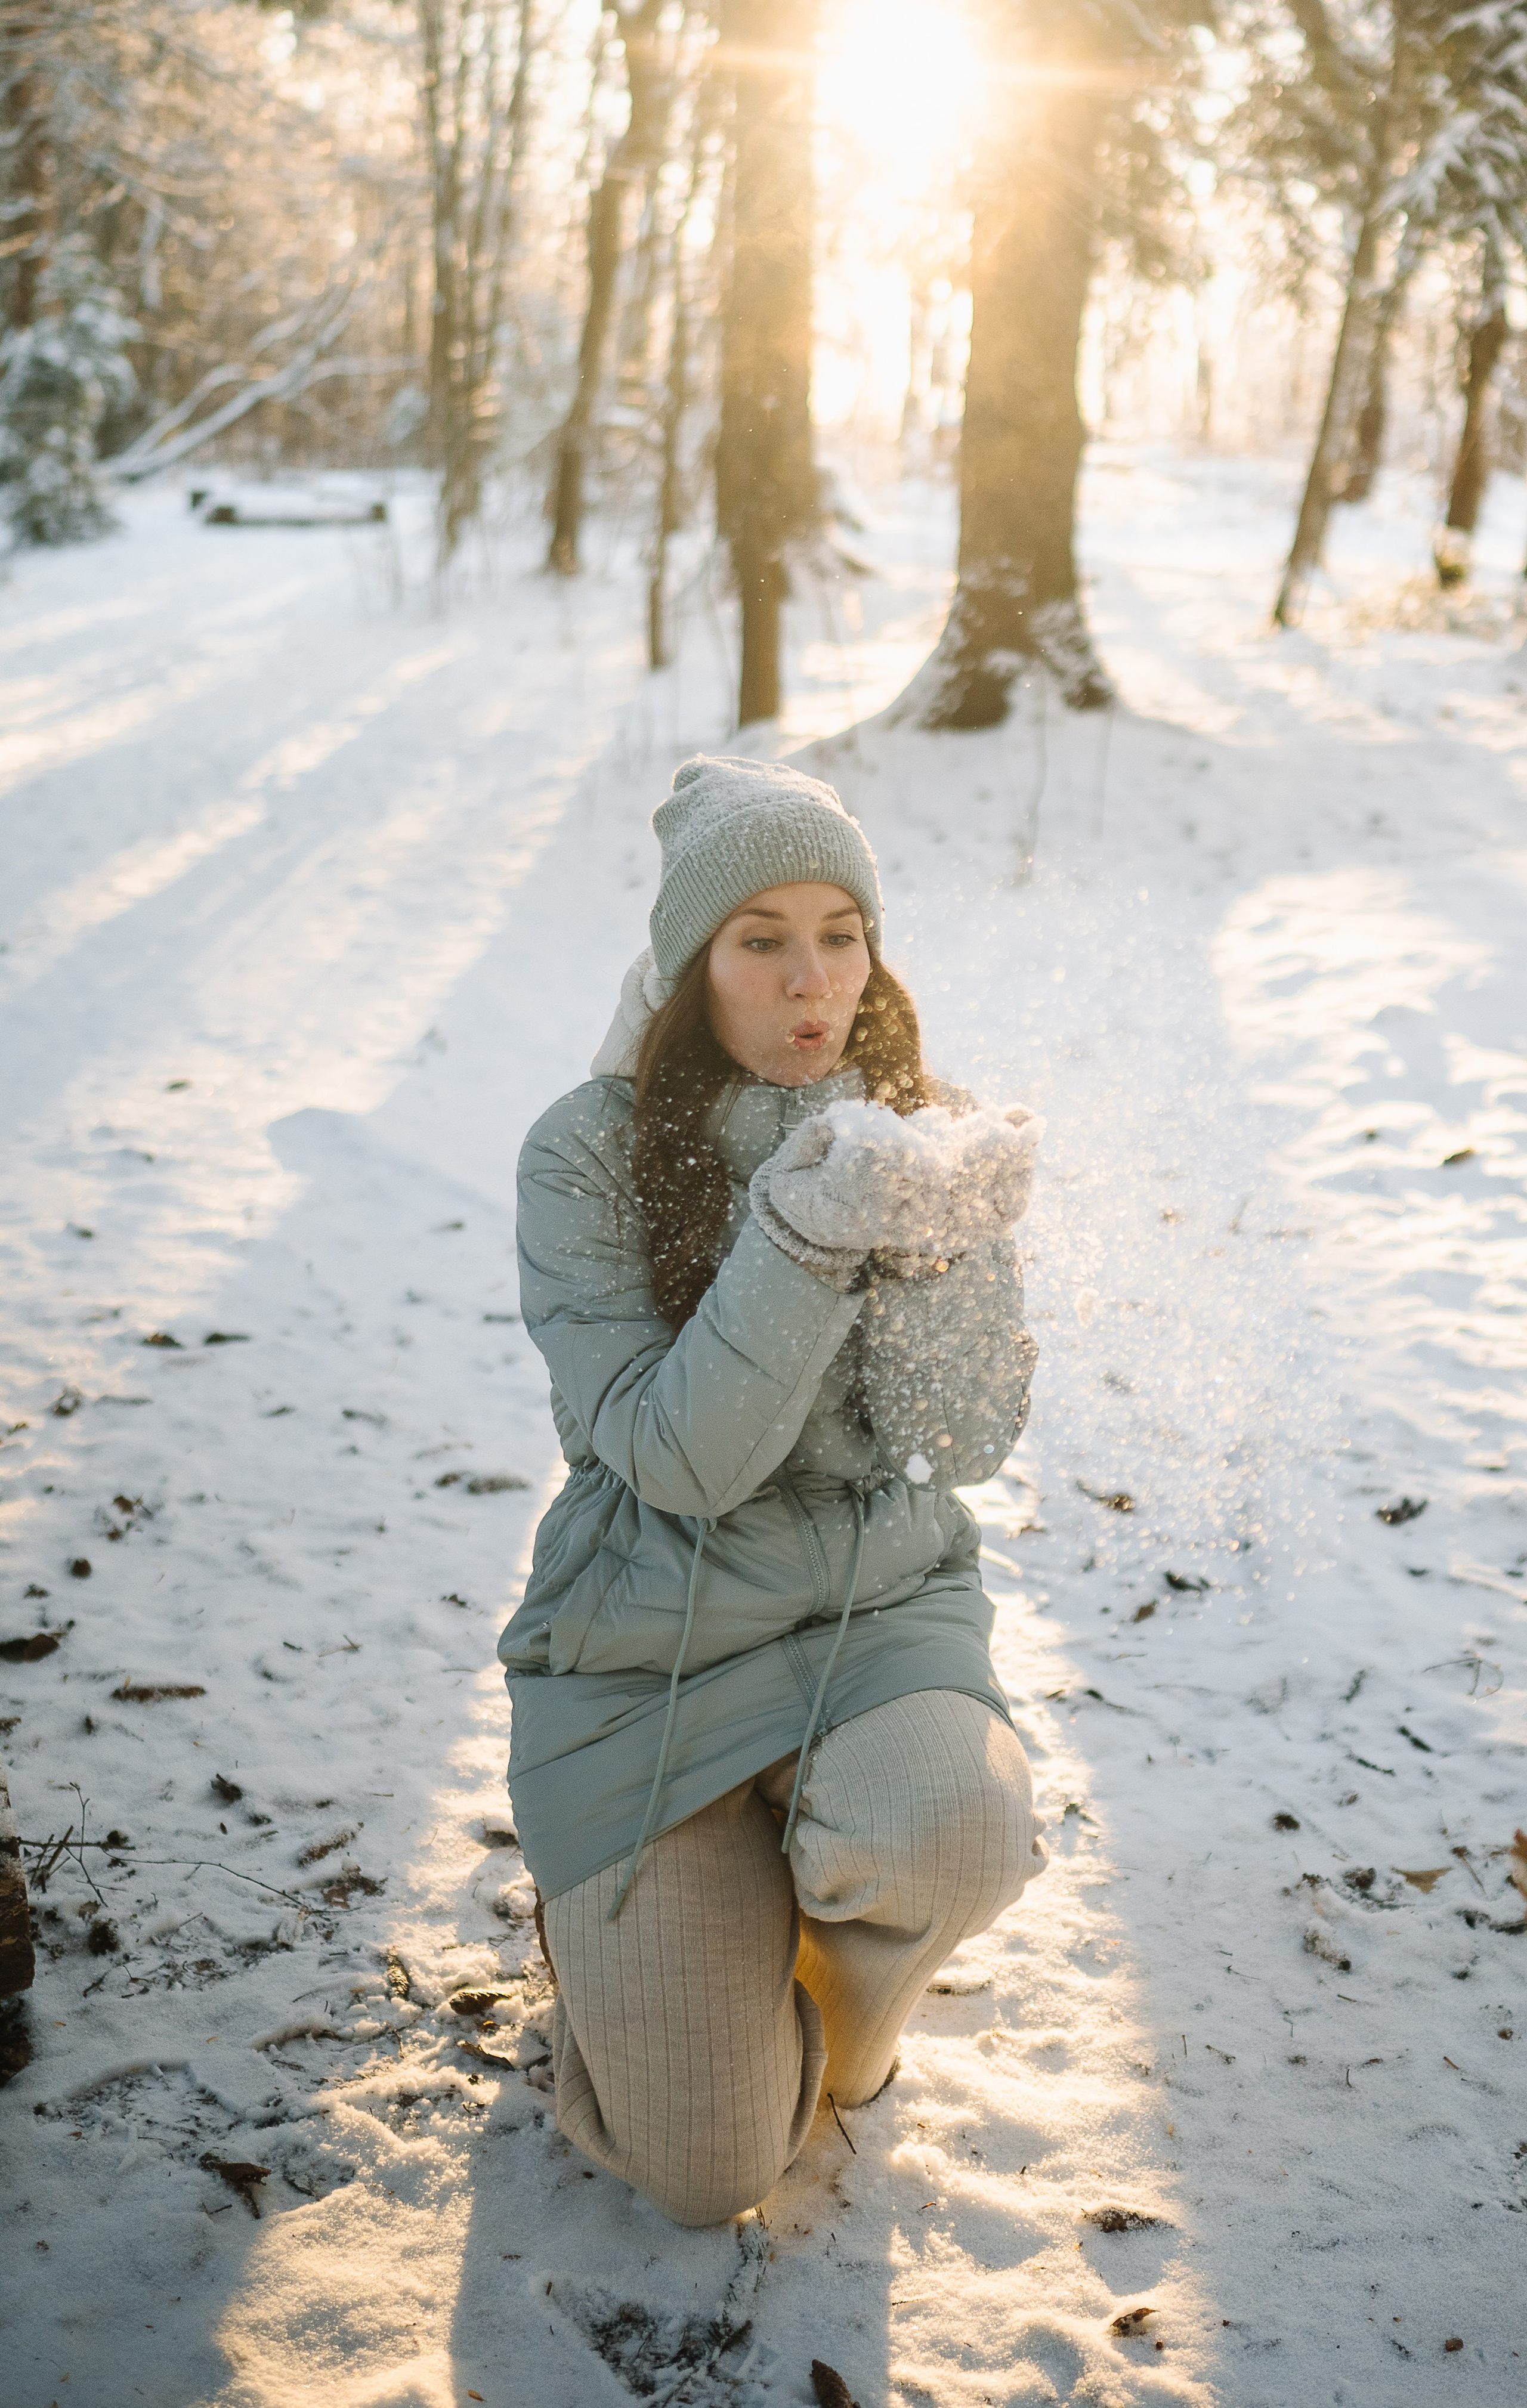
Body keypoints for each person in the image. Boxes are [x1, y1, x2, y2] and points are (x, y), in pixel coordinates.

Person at [498, 754, 1047, 2227]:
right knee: (707, 2177)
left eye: (840, 932)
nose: (814, 978)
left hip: (877, 1615)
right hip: (643, 1656)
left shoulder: (924, 1121)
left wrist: (937, 1244)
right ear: (692, 967)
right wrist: (802, 1235)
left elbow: (963, 1439)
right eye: (760, 939)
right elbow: (683, 1462)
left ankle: (850, 2032)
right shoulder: (585, 1154)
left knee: (954, 1830)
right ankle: (633, 1948)